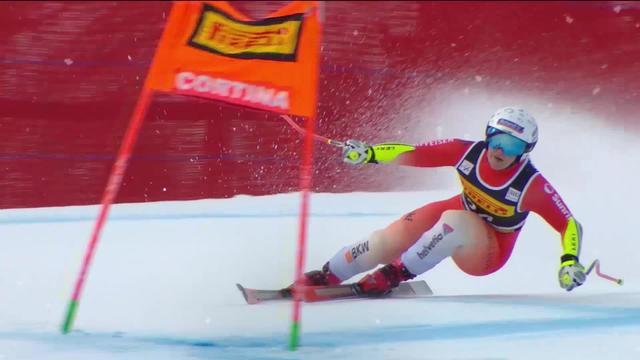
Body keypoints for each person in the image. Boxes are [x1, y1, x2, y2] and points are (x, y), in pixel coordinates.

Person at [298, 106, 586, 296]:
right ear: (486, 135)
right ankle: (329, 274)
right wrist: (370, 154)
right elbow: (413, 153)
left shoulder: (531, 185)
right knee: (395, 235)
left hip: (487, 252)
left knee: (455, 221)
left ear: (525, 152)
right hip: (461, 211)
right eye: (496, 139)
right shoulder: (466, 152)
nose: (500, 150)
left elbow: (569, 224)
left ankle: (395, 273)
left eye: (512, 146)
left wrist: (569, 261)